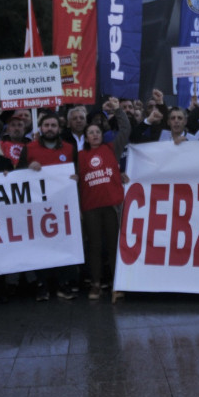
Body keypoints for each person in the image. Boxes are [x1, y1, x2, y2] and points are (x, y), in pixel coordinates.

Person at [73, 97, 131, 302]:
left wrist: (117, 110)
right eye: (91, 133)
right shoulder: (79, 157)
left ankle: (118, 283)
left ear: (102, 135)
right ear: (86, 138)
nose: (95, 135)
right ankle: (96, 284)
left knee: (115, 245)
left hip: (112, 205)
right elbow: (75, 181)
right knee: (95, 247)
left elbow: (125, 130)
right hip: (91, 207)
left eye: (97, 132)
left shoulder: (111, 149)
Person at [18, 112, 78, 301]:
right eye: (46, 125)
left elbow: (77, 172)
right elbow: (17, 175)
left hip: (63, 206)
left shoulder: (69, 148)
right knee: (40, 246)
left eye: (53, 125)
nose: (50, 128)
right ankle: (42, 284)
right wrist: (28, 169)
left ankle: (62, 284)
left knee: (63, 243)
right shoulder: (29, 148)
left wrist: (76, 178)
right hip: (38, 207)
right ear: (40, 128)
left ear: (59, 129)